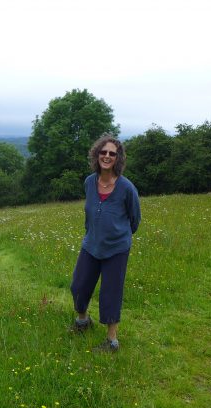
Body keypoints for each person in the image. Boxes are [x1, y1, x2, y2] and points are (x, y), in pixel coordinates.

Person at [70, 134, 141, 352]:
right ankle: (83, 321)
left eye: (112, 153)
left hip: (116, 248)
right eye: (103, 152)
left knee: (110, 293)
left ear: (118, 158)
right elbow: (90, 212)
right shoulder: (90, 182)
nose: (107, 156)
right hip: (91, 244)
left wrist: (121, 237)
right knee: (79, 286)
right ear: (97, 155)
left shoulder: (127, 188)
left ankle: (111, 341)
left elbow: (134, 219)